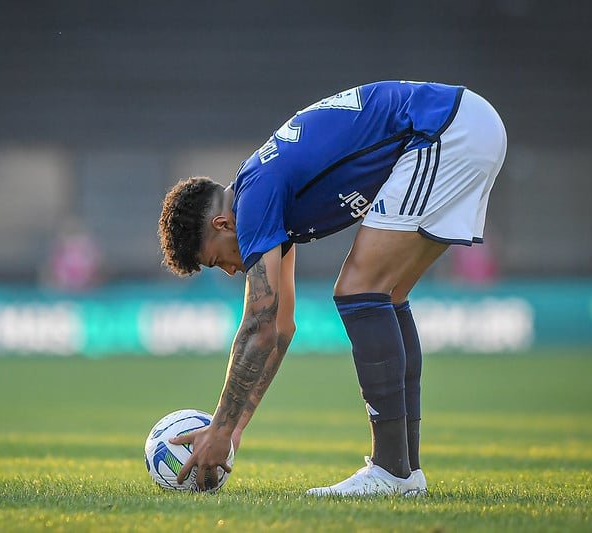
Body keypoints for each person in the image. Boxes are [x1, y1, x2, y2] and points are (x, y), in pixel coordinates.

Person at [157, 81, 507, 495]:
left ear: (222, 224)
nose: (232, 272)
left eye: (218, 260)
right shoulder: (263, 197)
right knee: (387, 296)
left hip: (444, 130)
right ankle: (405, 473)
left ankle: (390, 471)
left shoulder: (254, 198)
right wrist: (235, 429)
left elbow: (258, 324)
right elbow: (281, 328)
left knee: (359, 291)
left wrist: (218, 425)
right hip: (463, 125)